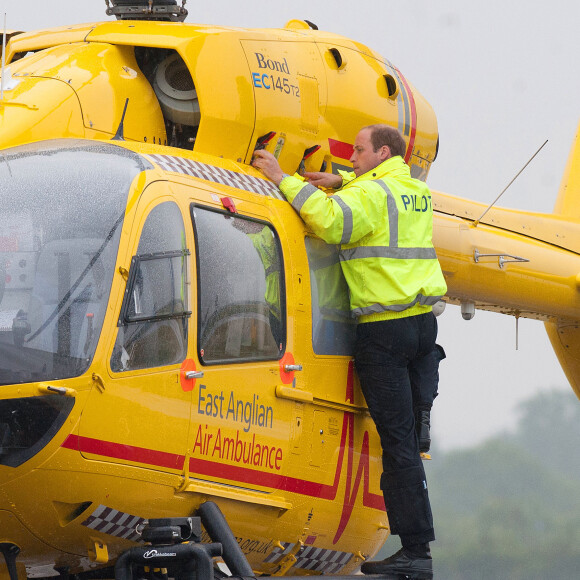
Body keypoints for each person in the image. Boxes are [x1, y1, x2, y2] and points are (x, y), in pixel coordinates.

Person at [253, 124, 447, 579]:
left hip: (384, 331)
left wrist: (285, 178)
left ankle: (416, 553)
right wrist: (342, 182)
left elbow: (332, 222)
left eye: (358, 152)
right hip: (423, 328)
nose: (350, 159)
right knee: (411, 443)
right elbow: (374, 196)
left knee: (395, 444)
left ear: (382, 152)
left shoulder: (372, 195)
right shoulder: (413, 189)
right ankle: (423, 421)